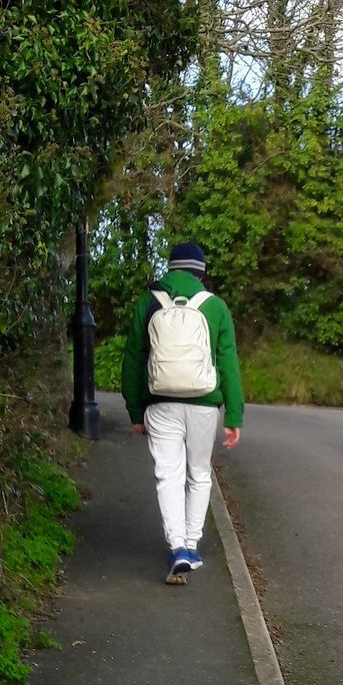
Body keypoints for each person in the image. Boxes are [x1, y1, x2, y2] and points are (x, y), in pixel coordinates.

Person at [121, 242, 244, 585]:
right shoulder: (216, 307)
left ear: (171, 269)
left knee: (168, 475)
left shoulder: (148, 303)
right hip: (204, 403)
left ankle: (177, 547)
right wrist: (234, 415)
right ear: (201, 273)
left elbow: (132, 359)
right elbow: (229, 364)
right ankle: (191, 544)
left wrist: (135, 408)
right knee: (199, 473)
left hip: (160, 402)